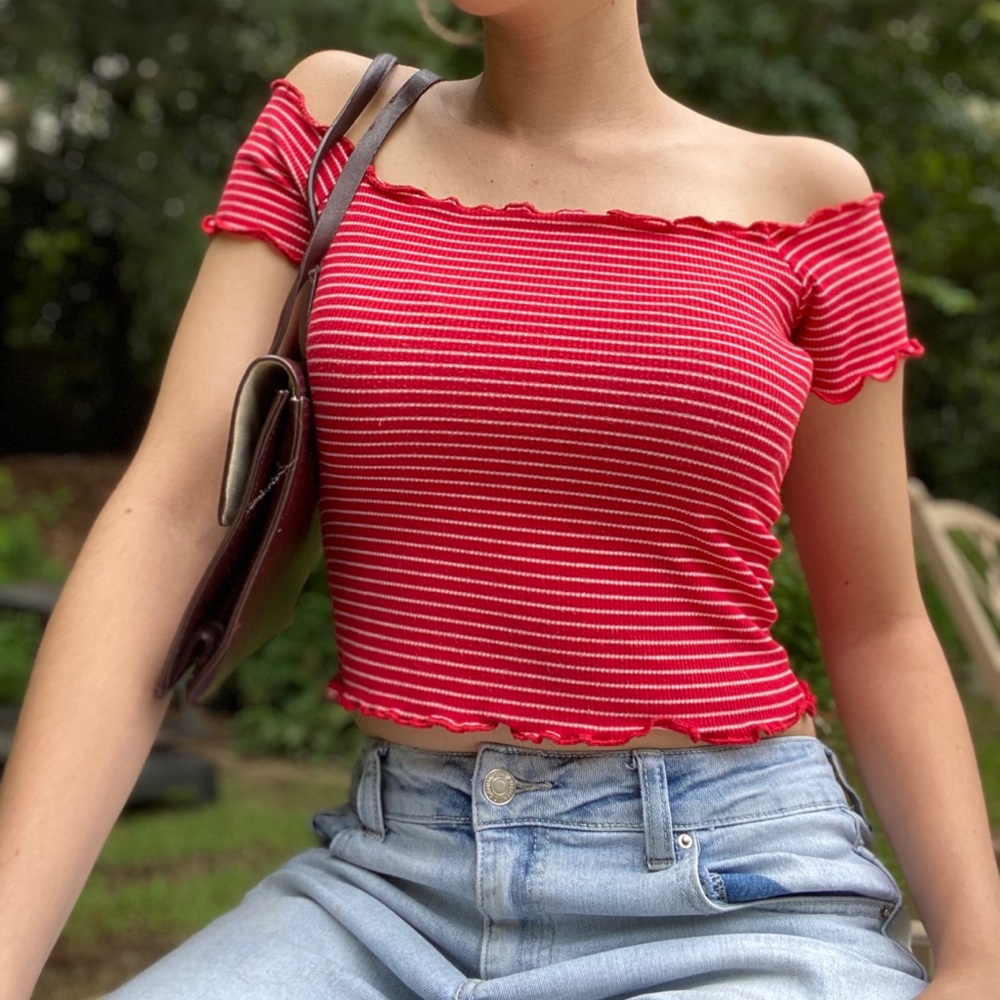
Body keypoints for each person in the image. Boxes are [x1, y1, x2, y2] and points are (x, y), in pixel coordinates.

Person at [2, 2, 999, 998]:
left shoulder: (805, 202)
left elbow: (878, 623)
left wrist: (977, 955)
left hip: (734, 899)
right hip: (388, 890)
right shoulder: (330, 131)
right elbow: (173, 517)